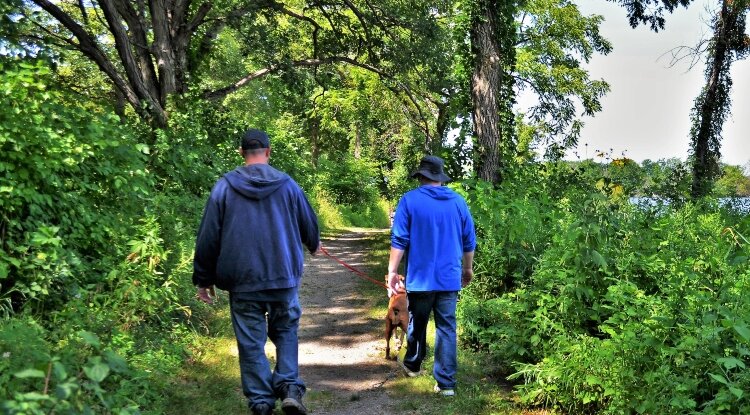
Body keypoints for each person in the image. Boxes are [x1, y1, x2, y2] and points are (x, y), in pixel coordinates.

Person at [192, 129, 320, 415]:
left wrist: (203, 278)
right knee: (286, 331)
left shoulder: (224, 187)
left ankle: (261, 402)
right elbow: (308, 222)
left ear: (241, 153)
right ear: (268, 151)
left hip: (243, 280)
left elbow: (208, 236)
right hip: (282, 277)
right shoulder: (287, 185)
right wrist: (313, 243)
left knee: (250, 342)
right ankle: (289, 387)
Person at [387, 155, 476, 397]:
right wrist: (467, 268)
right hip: (449, 278)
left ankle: (413, 364)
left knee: (418, 322)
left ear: (421, 177)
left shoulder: (409, 200)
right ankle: (446, 384)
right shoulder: (458, 202)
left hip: (420, 279)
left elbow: (399, 239)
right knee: (446, 328)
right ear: (440, 177)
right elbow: (469, 240)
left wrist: (392, 271)